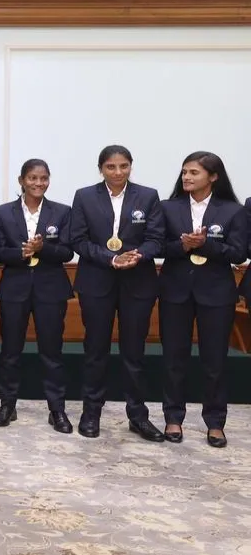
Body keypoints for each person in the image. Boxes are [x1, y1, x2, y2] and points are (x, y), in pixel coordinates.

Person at [68, 144, 164, 440]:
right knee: (95, 350)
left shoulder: (147, 196)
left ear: (131, 167)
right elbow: (78, 240)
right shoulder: (85, 196)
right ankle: (91, 413)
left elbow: (157, 239)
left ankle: (137, 416)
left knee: (134, 352)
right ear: (101, 169)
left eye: (124, 166)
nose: (118, 172)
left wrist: (137, 255)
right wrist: (111, 258)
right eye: (111, 167)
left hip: (138, 282)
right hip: (97, 281)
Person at [163, 152, 245, 448]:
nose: (187, 177)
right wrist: (182, 245)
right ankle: (173, 417)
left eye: (194, 173)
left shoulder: (233, 211)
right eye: (184, 172)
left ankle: (215, 422)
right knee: (174, 358)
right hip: (175, 290)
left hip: (216, 292)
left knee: (214, 360)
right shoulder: (168, 207)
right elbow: (158, 246)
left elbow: (238, 253)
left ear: (213, 177)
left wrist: (206, 245)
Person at [0, 159, 74, 433]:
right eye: (33, 178)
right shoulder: (2, 212)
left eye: (44, 178)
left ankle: (57, 409)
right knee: (10, 350)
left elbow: (67, 252)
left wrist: (43, 248)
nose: (38, 183)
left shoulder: (62, 212)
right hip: (14, 288)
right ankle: (7, 405)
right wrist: (21, 253)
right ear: (21, 180)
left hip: (51, 289)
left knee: (52, 351)